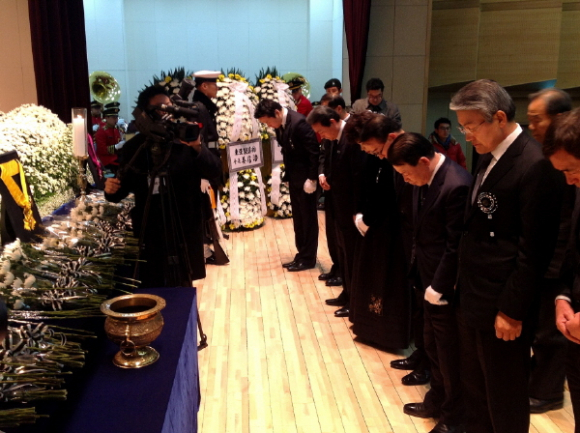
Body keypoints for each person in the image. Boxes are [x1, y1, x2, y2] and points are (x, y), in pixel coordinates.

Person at [450, 79, 562, 433]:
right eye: (462, 127)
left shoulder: (534, 163)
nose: (467, 135)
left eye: (471, 125)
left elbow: (534, 250)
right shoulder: (489, 154)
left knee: (504, 394)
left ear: (499, 118)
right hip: (475, 296)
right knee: (476, 389)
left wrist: (512, 311)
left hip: (502, 305)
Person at [388, 132, 471, 433]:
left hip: (445, 287)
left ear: (423, 161)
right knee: (433, 348)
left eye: (406, 173)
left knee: (449, 355)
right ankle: (436, 400)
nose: (406, 179)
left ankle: (454, 417)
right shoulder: (423, 180)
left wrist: (439, 286)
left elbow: (455, 245)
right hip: (426, 278)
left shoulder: (456, 184)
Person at [104, 85, 222, 288]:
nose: (167, 113)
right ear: (145, 113)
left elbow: (215, 172)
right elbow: (118, 192)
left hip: (184, 227)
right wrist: (110, 189)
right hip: (151, 231)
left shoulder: (185, 141)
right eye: (160, 108)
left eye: (169, 106)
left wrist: (197, 148)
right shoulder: (135, 146)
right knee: (154, 284)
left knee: (184, 286)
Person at [344, 113, 411, 347]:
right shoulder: (385, 156)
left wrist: (369, 217)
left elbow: (390, 195)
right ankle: (370, 327)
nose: (377, 155)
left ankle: (389, 334)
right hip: (379, 225)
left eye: (375, 150)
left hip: (394, 229)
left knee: (389, 282)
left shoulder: (404, 155)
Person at [526, 87, 573, 414]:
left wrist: (556, 265)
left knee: (551, 332)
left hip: (559, 258)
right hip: (545, 255)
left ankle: (548, 391)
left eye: (536, 119)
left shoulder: (567, 157)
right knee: (540, 329)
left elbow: (567, 220)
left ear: (559, 118)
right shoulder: (546, 154)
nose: (531, 126)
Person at [307, 106, 366, 316]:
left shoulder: (351, 140)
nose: (321, 136)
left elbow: (358, 178)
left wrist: (358, 211)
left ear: (332, 122)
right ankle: (347, 293)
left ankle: (355, 300)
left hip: (350, 208)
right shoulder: (334, 139)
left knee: (351, 256)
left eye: (321, 131)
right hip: (337, 204)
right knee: (342, 252)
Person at [543, 108, 580, 433]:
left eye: (571, 170)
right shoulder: (578, 190)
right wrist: (563, 297)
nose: (569, 181)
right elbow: (573, 254)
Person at [255, 99, 320, 272]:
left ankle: (308, 258)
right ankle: (301, 254)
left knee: (308, 220)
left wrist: (312, 178)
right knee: (299, 220)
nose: (269, 125)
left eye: (268, 121)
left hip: (307, 180)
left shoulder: (299, 123)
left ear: (277, 113)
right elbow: (288, 152)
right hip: (295, 178)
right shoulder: (281, 124)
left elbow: (314, 151)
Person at [95, 102, 125, 175]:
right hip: (107, 160)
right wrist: (116, 147)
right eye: (113, 118)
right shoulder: (101, 131)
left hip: (116, 157)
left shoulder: (117, 129)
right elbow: (102, 150)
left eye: (116, 117)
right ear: (106, 118)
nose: (116, 120)